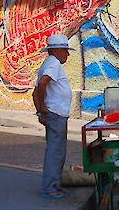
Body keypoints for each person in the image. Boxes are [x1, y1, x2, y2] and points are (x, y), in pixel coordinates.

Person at [33, 34, 74, 199]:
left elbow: (35, 92)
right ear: (56, 50)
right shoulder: (54, 63)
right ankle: (50, 187)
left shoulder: (48, 63)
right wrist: (43, 108)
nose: (67, 54)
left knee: (56, 151)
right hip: (55, 113)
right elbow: (42, 84)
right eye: (65, 50)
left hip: (54, 113)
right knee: (55, 152)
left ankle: (55, 184)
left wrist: (40, 111)